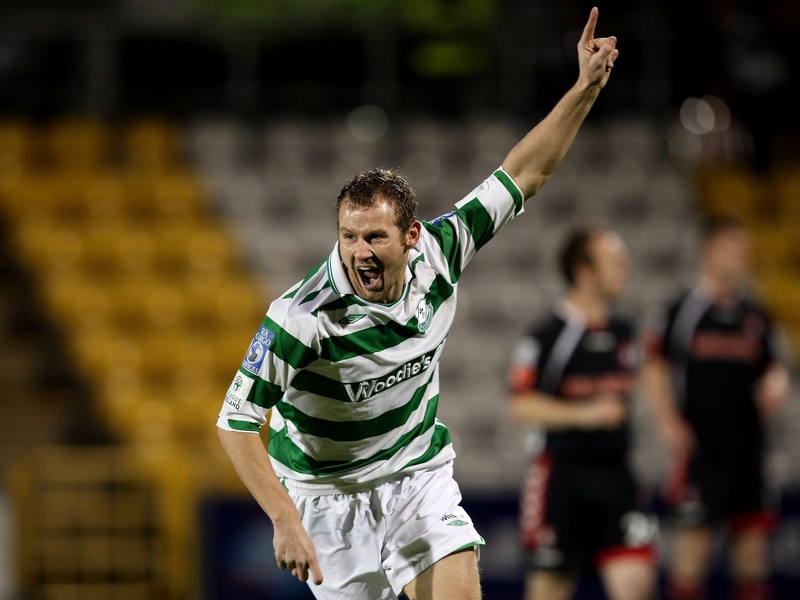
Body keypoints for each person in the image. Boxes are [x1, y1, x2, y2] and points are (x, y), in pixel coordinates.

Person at [216, 8, 619, 600]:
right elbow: (237, 422)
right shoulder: (300, 317)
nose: (359, 252)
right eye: (349, 237)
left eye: (374, 237)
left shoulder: (442, 248)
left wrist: (583, 89)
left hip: (416, 476)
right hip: (325, 500)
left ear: (409, 236)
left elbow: (525, 172)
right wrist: (283, 518)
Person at [643, 217, 790, 600]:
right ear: (708, 252)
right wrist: (668, 422)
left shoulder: (753, 315)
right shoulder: (684, 310)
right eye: (732, 247)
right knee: (692, 557)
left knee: (752, 560)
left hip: (748, 448)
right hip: (701, 450)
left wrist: (777, 382)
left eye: (743, 249)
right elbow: (655, 367)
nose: (741, 256)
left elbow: (772, 367)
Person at [507, 227, 658, 600]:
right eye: (615, 262)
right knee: (549, 590)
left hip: (617, 476)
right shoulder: (548, 335)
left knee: (636, 585)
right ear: (584, 272)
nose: (626, 269)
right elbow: (521, 404)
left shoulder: (624, 330)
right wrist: (586, 414)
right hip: (561, 477)